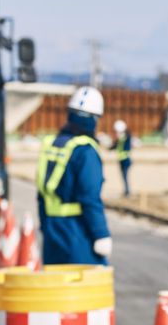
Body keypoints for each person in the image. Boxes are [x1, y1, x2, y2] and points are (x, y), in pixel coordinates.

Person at [36, 86, 113, 265]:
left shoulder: (52, 144)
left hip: (51, 230)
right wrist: (101, 234)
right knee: (89, 287)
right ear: (95, 118)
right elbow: (90, 198)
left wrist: (45, 226)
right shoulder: (85, 151)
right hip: (78, 232)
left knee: (56, 287)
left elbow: (41, 194)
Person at [113, 119, 133, 196]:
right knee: (123, 176)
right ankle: (126, 191)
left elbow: (127, 137)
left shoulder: (126, 137)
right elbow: (114, 146)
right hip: (121, 160)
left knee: (125, 176)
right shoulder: (120, 138)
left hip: (126, 160)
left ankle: (127, 191)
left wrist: (120, 136)